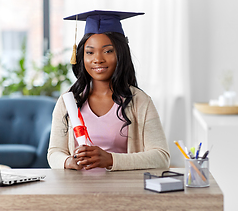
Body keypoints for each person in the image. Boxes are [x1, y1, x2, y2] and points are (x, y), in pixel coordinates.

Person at [47, 10, 170, 171]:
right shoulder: (69, 101)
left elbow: (161, 157)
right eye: (90, 52)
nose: (98, 59)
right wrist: (69, 162)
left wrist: (111, 159)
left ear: (120, 53)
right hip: (78, 190)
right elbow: (54, 153)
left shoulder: (139, 101)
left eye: (108, 51)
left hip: (122, 190)